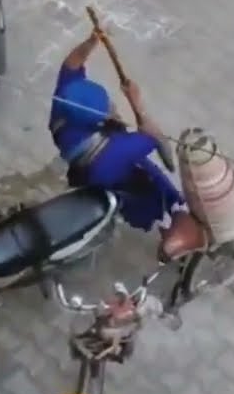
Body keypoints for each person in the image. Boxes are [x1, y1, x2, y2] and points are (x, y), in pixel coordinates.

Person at [48, 31, 205, 259]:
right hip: (114, 177)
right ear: (101, 122)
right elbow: (162, 146)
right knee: (153, 198)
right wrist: (136, 102)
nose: (112, 105)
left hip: (84, 168)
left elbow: (72, 62)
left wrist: (92, 41)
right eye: (108, 106)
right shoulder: (119, 150)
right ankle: (166, 230)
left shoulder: (63, 102)